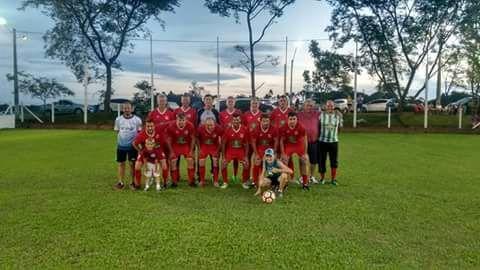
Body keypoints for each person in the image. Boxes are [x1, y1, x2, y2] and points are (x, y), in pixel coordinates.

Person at [113, 101, 142, 190]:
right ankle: (120, 182)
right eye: (125, 108)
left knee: (132, 164)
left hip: (132, 147)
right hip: (121, 146)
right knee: (121, 163)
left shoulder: (137, 120)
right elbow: (117, 131)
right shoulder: (118, 119)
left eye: (128, 108)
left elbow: (139, 133)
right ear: (122, 109)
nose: (127, 110)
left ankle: (132, 182)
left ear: (132, 109)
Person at [132, 118, 168, 189]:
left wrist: (163, 152)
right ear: (145, 126)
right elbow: (134, 143)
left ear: (154, 126)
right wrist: (139, 150)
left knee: (164, 165)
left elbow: (164, 142)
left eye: (151, 126)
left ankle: (165, 183)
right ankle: (137, 184)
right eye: (148, 126)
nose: (150, 128)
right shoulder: (142, 134)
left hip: (158, 150)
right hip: (145, 151)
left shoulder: (159, 131)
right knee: (137, 166)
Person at [280, 111, 310, 190]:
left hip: (298, 145)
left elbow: (305, 140)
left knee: (304, 161)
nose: (292, 121)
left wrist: (305, 153)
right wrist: (283, 153)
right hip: (289, 145)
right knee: (284, 161)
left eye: (294, 119)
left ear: (297, 119)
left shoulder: (301, 127)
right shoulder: (283, 127)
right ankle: (285, 182)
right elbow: (281, 141)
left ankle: (305, 183)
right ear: (287, 119)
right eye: (290, 119)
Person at [166, 113, 196, 187]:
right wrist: (171, 152)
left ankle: (191, 181)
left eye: (183, 120)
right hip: (175, 146)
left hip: (185, 145)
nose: (181, 122)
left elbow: (193, 139)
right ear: (176, 120)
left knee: (190, 160)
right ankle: (174, 182)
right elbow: (168, 140)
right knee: (173, 161)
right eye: (179, 120)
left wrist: (191, 151)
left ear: (186, 120)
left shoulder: (190, 125)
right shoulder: (171, 126)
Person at [221, 112, 250, 189]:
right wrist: (223, 156)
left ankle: (244, 182)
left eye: (237, 120)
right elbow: (223, 143)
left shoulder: (244, 129)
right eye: (234, 120)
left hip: (240, 150)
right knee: (223, 164)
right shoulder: (228, 129)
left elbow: (247, 143)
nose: (236, 121)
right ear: (231, 120)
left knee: (246, 164)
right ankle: (225, 182)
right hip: (230, 150)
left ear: (240, 120)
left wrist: (246, 156)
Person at [318, 100, 343, 186]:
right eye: (328, 106)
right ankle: (322, 179)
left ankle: (333, 179)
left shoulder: (338, 116)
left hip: (334, 141)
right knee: (322, 161)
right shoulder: (321, 115)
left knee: (334, 161)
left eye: (331, 106)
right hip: (322, 141)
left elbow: (340, 128)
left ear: (334, 107)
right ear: (325, 107)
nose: (330, 107)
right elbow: (318, 126)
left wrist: (334, 135)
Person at [250, 113, 278, 186]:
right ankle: (255, 181)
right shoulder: (256, 129)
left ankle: (274, 181)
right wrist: (256, 154)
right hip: (260, 148)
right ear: (260, 121)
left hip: (270, 149)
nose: (266, 123)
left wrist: (274, 152)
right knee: (257, 161)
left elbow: (276, 141)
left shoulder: (274, 129)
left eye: (267, 121)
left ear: (269, 121)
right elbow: (253, 142)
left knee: (272, 163)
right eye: (264, 121)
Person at [297, 99, 321, 184]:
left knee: (313, 160)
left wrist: (337, 112)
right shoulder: (299, 114)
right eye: (307, 105)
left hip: (313, 141)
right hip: (302, 142)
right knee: (302, 159)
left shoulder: (317, 114)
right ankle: (301, 177)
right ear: (303, 106)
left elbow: (327, 113)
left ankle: (311, 176)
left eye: (311, 105)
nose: (309, 107)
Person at [196, 117, 223, 187]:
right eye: (208, 125)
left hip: (214, 146)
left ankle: (216, 180)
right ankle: (202, 180)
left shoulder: (219, 128)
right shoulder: (200, 128)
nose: (210, 127)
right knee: (201, 161)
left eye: (211, 125)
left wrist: (217, 151)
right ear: (205, 124)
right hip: (204, 146)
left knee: (215, 161)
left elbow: (221, 141)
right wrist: (199, 149)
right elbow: (197, 139)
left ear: (214, 124)